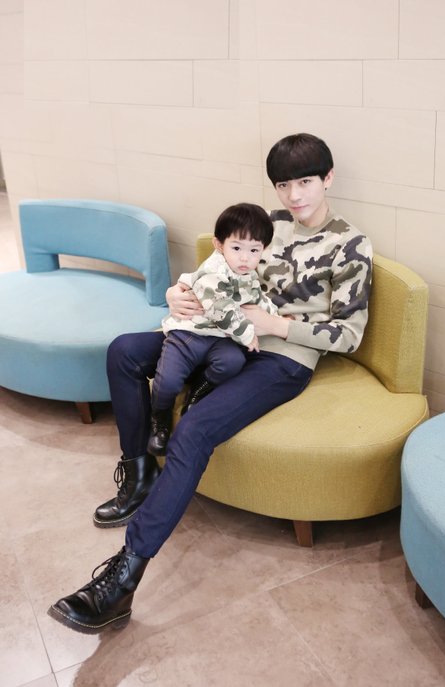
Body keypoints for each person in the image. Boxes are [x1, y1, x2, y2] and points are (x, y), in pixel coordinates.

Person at [48, 132, 373, 634]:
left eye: (305, 182)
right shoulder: (267, 224)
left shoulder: (350, 243)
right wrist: (178, 293)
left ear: (328, 178)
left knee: (196, 428)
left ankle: (123, 578)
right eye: (283, 184)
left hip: (282, 360)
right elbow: (217, 266)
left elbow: (349, 335)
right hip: (220, 335)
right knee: (123, 352)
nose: (294, 195)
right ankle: (139, 473)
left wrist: (274, 325)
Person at [146, 202, 277, 457]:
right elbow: (220, 308)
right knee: (168, 381)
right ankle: (159, 420)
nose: (245, 258)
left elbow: (256, 299)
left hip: (219, 338)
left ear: (264, 249)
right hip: (189, 334)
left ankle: (198, 392)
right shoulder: (213, 271)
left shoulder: (248, 274)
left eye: (254, 250)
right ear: (219, 245)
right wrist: (247, 333)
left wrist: (274, 315)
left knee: (232, 362)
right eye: (236, 248)